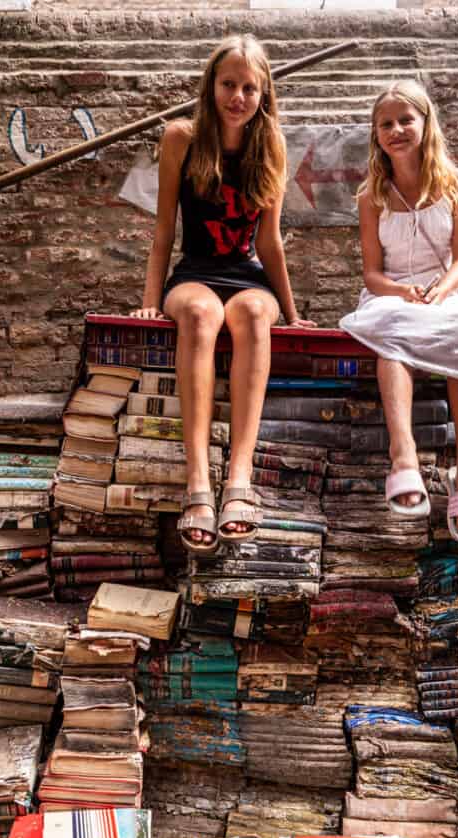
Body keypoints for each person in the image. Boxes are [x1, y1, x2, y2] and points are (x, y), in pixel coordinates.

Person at [131, 34, 314, 553]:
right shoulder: (180, 139)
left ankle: (238, 480)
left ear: (264, 94)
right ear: (211, 84)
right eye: (229, 84)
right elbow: (164, 230)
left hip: (248, 276)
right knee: (197, 312)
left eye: (250, 88)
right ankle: (197, 482)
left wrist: (293, 313)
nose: (238, 97)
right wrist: (150, 297)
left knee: (257, 314)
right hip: (194, 272)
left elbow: (270, 242)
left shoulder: (270, 143)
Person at [339, 81, 458, 544]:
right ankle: (403, 454)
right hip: (392, 295)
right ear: (376, 135)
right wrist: (403, 292)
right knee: (391, 331)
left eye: (406, 120)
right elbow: (371, 274)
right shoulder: (372, 195)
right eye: (386, 123)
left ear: (427, 124)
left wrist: (440, 291)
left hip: (444, 293)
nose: (396, 130)